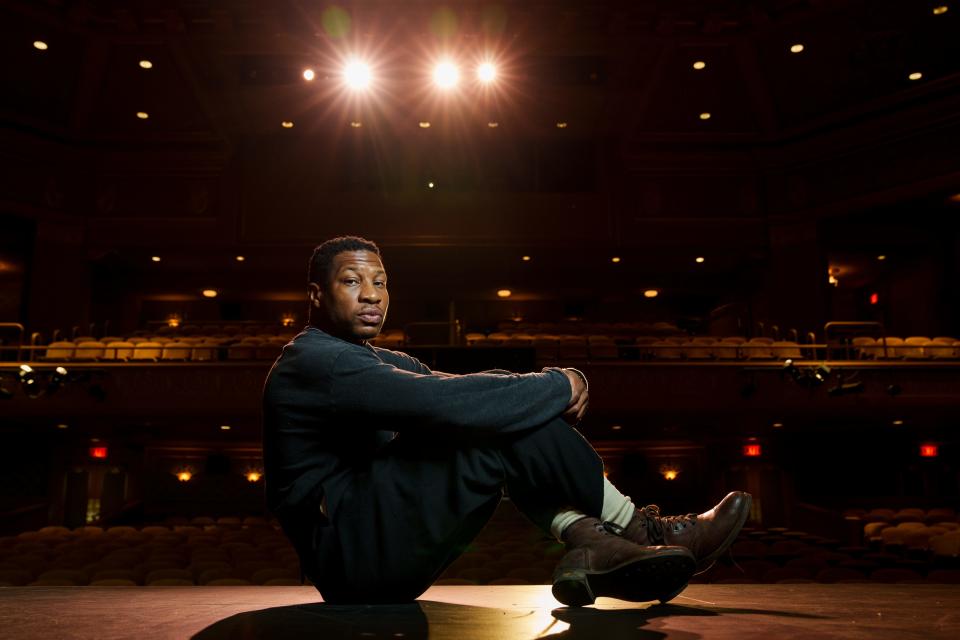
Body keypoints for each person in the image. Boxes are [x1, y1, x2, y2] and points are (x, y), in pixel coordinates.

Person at [262, 235, 751, 606]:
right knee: (483, 420)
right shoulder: (316, 361)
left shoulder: (368, 360)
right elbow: (447, 403)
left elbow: (470, 384)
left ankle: (588, 540)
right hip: (352, 554)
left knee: (495, 411)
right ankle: (643, 533)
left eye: (381, 282)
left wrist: (560, 378)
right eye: (352, 281)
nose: (372, 295)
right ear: (317, 295)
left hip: (375, 557)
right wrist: (561, 385)